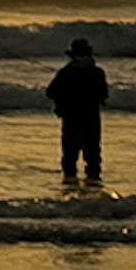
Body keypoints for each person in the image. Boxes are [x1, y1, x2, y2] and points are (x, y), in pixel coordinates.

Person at [47, 36, 109, 186]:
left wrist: (62, 102)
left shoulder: (65, 73)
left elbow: (50, 92)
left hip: (71, 117)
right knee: (92, 152)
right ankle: (93, 181)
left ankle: (70, 181)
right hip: (91, 117)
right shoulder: (97, 73)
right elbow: (103, 94)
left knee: (70, 152)